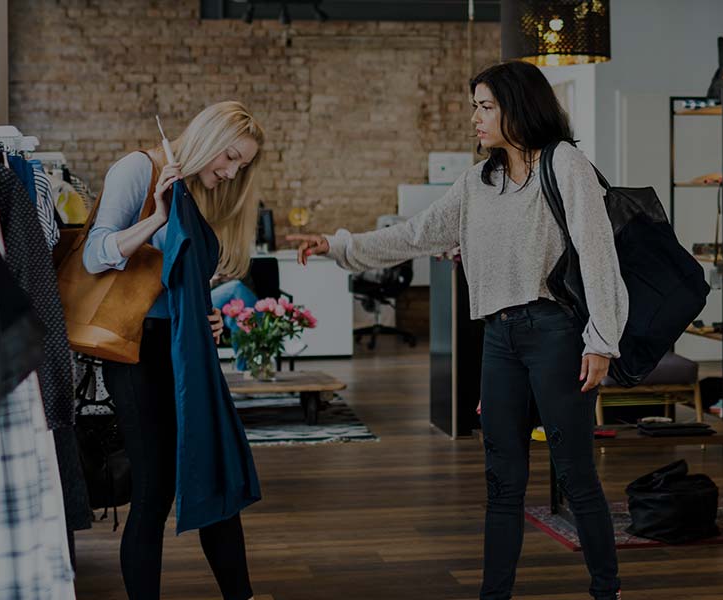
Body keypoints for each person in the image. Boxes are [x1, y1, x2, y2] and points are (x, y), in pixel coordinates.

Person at [288, 61, 626, 600]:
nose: (475, 117)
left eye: (485, 105)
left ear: (519, 106)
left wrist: (602, 340)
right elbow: (416, 234)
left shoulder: (564, 165)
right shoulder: (477, 182)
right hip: (498, 339)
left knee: (575, 473)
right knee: (501, 482)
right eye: (474, 105)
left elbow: (598, 256)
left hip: (556, 334)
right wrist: (340, 246)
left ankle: (605, 590)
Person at [84, 100, 265, 600]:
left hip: (184, 346)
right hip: (135, 347)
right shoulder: (138, 171)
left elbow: (181, 281)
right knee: (155, 489)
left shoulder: (199, 189)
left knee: (214, 474)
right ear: (208, 138)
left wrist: (205, 314)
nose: (229, 172)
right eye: (228, 157)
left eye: (240, 166)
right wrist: (156, 217)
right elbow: (94, 254)